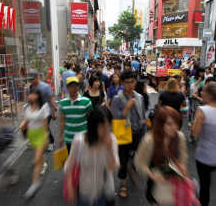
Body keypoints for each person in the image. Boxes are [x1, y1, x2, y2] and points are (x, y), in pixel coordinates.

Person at [64, 106, 119, 206]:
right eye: (103, 125)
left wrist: (110, 149)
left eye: (108, 124)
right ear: (93, 125)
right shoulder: (79, 141)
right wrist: (70, 188)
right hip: (84, 193)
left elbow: (113, 167)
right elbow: (69, 166)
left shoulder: (112, 140)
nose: (106, 129)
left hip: (104, 193)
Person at [134, 106, 187, 205]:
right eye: (169, 124)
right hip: (155, 186)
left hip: (174, 183)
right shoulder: (149, 140)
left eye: (176, 123)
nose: (174, 127)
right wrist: (154, 176)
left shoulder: (180, 137)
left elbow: (182, 158)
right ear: (160, 124)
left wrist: (182, 171)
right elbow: (140, 163)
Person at [111, 70, 146, 199]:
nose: (130, 85)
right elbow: (116, 117)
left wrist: (144, 131)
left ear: (136, 82)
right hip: (124, 134)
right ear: (122, 83)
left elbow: (142, 115)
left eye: (132, 82)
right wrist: (127, 107)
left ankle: (132, 167)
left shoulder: (139, 97)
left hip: (138, 132)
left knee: (142, 155)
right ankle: (123, 182)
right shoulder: (116, 99)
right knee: (123, 159)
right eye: (127, 82)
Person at [22, 90, 50, 198]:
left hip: (40, 135)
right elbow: (26, 119)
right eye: (30, 94)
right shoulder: (27, 107)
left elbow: (45, 124)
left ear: (38, 96)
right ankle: (44, 164)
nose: (32, 96)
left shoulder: (43, 107)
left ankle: (34, 184)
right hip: (31, 135)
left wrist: (46, 137)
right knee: (38, 156)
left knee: (37, 159)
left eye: (34, 94)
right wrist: (23, 124)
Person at [58, 77, 93, 153]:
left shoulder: (86, 101)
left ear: (78, 87)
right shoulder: (62, 103)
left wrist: (92, 134)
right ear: (67, 87)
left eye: (75, 86)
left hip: (83, 137)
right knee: (72, 161)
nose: (73, 88)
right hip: (69, 138)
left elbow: (91, 118)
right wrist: (60, 136)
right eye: (71, 86)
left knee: (83, 161)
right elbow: (62, 120)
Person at [28, 70, 57, 152]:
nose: (31, 81)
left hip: (47, 111)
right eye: (30, 79)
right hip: (38, 111)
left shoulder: (46, 86)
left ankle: (51, 142)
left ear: (37, 77)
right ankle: (42, 141)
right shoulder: (32, 87)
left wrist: (54, 113)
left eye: (32, 79)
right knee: (41, 127)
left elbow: (51, 99)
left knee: (45, 127)